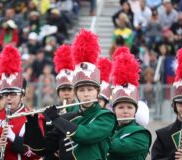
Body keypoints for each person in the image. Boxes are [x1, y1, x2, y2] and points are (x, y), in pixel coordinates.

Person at [24, 29, 117, 159]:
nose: (86, 94)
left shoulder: (106, 117)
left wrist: (56, 119)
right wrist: (32, 124)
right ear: (76, 92)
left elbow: (85, 135)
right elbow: (43, 148)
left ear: (97, 91)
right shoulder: (68, 118)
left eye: (90, 90)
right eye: (82, 90)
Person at [0, 45, 43, 160]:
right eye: (6, 94)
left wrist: (13, 138)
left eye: (13, 95)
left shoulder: (33, 118)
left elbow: (37, 154)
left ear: (22, 95)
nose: (8, 98)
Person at [107, 48, 151, 160]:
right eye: (121, 107)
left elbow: (117, 147)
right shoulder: (109, 129)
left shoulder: (141, 134)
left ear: (135, 110)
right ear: (114, 109)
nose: (125, 111)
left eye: (129, 107)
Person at [53, 44, 76, 113]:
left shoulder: (81, 111)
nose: (66, 93)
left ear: (75, 92)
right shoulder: (51, 112)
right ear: (58, 93)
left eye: (69, 90)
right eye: (63, 90)